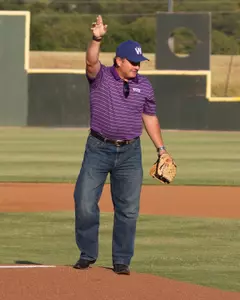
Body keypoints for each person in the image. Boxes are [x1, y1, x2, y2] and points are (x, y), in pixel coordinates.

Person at [73, 15, 172, 275]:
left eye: (140, 63)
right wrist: (97, 38)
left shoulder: (144, 86)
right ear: (119, 61)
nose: (138, 67)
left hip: (130, 152)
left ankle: (121, 260)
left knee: (128, 209)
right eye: (134, 62)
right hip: (98, 148)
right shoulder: (102, 78)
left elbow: (149, 117)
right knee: (84, 202)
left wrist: (161, 149)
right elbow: (90, 61)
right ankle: (87, 253)